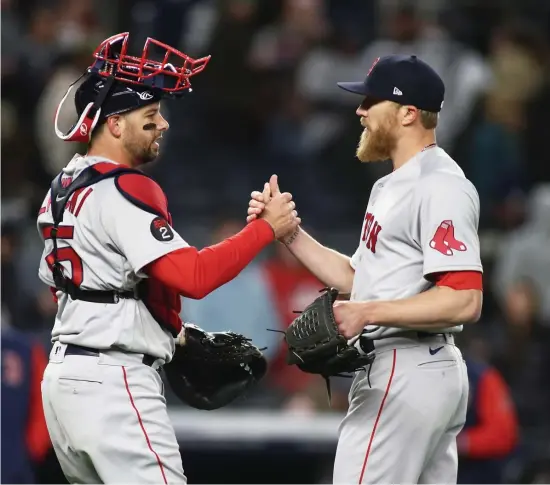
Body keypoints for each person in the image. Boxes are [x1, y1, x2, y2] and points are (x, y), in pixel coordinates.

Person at [36, 32, 299, 484]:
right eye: (150, 115)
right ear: (114, 124)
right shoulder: (126, 187)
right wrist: (265, 230)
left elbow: (90, 285)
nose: (164, 125)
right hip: (113, 381)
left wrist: (173, 333)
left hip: (65, 380)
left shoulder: (63, 185)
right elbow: (192, 276)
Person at [247, 54, 483, 484]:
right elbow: (359, 281)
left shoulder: (440, 184)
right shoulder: (390, 185)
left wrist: (368, 313)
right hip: (416, 369)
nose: (360, 111)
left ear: (409, 113)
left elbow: (465, 298)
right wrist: (288, 234)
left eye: (371, 101)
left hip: (406, 369)